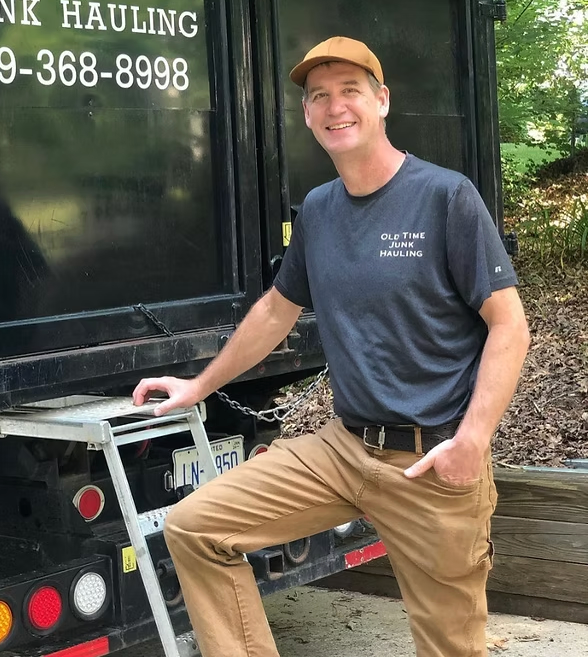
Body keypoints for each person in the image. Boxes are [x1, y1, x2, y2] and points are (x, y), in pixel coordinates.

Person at [133, 36, 530, 657]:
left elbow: (510, 325)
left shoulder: (444, 197)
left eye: (350, 91)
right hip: (344, 448)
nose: (334, 107)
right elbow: (274, 311)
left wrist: (473, 440)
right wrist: (198, 386)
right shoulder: (319, 209)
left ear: (383, 101)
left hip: (431, 461)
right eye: (319, 96)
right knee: (196, 526)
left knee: (452, 647)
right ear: (308, 114)